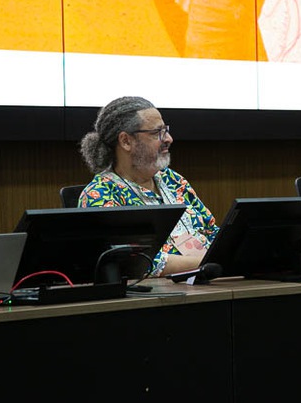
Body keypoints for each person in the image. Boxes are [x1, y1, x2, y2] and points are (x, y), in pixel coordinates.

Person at [78, 96, 219, 277]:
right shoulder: (101, 195)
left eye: (166, 130)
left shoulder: (172, 180)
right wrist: (212, 261)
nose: (169, 139)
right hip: (159, 295)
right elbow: (138, 263)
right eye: (156, 133)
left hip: (211, 281)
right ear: (126, 141)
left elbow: (211, 231)